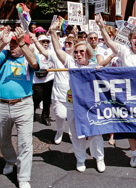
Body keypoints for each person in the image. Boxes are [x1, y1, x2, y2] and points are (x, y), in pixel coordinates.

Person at [96, 13, 136, 175]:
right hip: (128, 98)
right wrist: (101, 27)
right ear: (130, 40)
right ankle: (134, 155)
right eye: (134, 37)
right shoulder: (124, 51)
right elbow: (109, 42)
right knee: (131, 128)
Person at [50, 21, 106, 173]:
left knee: (95, 134)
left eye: (82, 52)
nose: (78, 54)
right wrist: (53, 31)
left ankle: (99, 158)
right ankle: (80, 159)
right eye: (76, 52)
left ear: (88, 53)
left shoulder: (94, 66)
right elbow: (56, 49)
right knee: (76, 134)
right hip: (73, 105)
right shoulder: (70, 62)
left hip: (91, 106)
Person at [0, 26, 40, 188]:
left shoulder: (29, 57)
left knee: (25, 143)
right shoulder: (4, 55)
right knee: (3, 139)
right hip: (1, 105)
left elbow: (34, 63)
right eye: (11, 43)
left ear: (23, 45)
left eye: (15, 43)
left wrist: (23, 45)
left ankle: (23, 177)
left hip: (23, 105)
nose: (12, 46)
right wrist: (0, 44)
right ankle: (10, 160)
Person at [30, 34, 54, 126]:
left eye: (47, 41)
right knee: (38, 97)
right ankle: (32, 112)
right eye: (43, 41)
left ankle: (45, 117)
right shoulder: (34, 52)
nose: (45, 43)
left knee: (47, 99)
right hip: (37, 79)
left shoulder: (50, 52)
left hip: (49, 78)